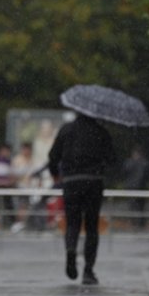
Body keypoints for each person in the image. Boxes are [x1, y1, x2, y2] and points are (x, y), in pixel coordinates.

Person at [48, 113, 116, 285]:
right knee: (92, 226)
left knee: (72, 223)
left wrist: (56, 174)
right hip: (93, 182)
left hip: (71, 182)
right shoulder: (101, 131)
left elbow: (53, 156)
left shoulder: (66, 130)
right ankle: (88, 270)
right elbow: (113, 159)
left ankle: (71, 249)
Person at [121, 145, 149, 230]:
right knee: (141, 207)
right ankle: (140, 223)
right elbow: (147, 176)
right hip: (141, 188)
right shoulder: (145, 163)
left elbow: (124, 174)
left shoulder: (128, 163)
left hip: (130, 188)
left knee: (132, 206)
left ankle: (133, 222)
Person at [10, 143, 37, 232]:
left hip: (31, 187)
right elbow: (14, 174)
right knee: (22, 205)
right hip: (21, 187)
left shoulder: (33, 160)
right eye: (24, 149)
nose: (26, 151)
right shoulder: (17, 160)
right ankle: (20, 222)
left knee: (29, 206)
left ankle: (26, 223)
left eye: (28, 149)